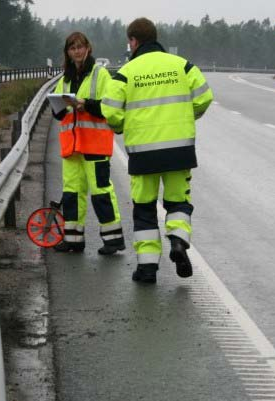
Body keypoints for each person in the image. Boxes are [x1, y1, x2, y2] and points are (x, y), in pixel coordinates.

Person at [101, 17, 213, 284]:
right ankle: (178, 241)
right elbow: (204, 97)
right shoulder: (182, 65)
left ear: (133, 41)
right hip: (178, 149)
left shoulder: (127, 72)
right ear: (155, 37)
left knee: (144, 208)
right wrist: (186, 117)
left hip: (143, 154)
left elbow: (110, 110)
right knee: (178, 202)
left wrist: (121, 126)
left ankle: (147, 268)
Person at [52, 32, 125, 254]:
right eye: (72, 48)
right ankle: (73, 239)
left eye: (80, 47)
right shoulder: (64, 78)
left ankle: (113, 239)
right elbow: (57, 112)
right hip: (71, 146)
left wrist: (86, 105)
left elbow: (109, 105)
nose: (77, 51)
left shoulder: (100, 74)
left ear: (88, 48)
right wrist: (60, 106)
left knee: (101, 191)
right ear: (68, 52)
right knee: (72, 192)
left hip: (94, 143)